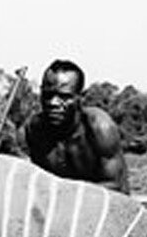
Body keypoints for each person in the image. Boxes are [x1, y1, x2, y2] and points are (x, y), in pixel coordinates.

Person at [21, 59, 130, 194]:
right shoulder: (34, 130)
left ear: (80, 97)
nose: (53, 103)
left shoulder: (99, 128)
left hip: (103, 206)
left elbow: (116, 186)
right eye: (48, 95)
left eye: (64, 97)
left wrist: (65, 192)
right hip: (57, 207)